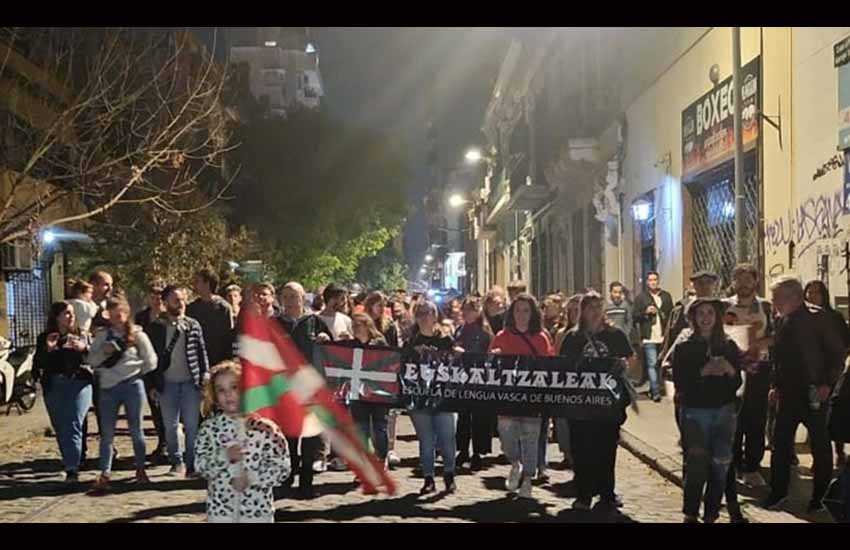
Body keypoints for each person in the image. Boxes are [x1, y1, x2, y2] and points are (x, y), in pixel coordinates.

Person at [765, 276, 844, 512]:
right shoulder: (780, 319)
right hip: (788, 391)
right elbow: (778, 357)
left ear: (793, 297)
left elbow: (837, 354)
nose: (773, 302)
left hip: (814, 392)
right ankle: (778, 493)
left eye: (777, 297)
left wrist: (827, 384)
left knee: (820, 445)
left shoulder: (819, 318)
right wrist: (775, 386)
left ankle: (819, 497)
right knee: (780, 444)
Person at [667, 297, 742, 523]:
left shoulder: (728, 345)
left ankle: (711, 513)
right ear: (693, 319)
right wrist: (704, 371)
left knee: (721, 463)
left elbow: (737, 382)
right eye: (701, 314)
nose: (706, 318)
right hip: (695, 413)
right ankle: (691, 512)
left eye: (710, 313)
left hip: (724, 412)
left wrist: (729, 370)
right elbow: (680, 382)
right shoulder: (684, 347)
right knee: (697, 464)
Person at [560, 291, 634, 514]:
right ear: (582, 311)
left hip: (607, 404)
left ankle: (606, 492)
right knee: (581, 449)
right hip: (580, 404)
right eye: (589, 307)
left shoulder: (615, 335)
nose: (593, 312)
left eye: (597, 307)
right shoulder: (573, 338)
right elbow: (563, 366)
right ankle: (583, 494)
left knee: (606, 448)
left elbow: (629, 358)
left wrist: (623, 365)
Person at [195, 361, 290, 523]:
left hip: (257, 512)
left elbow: (282, 468)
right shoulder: (209, 429)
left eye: (234, 387)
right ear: (214, 395)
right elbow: (201, 466)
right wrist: (223, 456)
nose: (228, 394)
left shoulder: (265, 429)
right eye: (221, 390)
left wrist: (252, 478)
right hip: (221, 512)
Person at [87, 296, 157, 494]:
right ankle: (104, 472)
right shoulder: (102, 336)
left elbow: (151, 360)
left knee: (136, 430)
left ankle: (141, 469)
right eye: (114, 314)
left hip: (132, 385)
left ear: (127, 314)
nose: (118, 318)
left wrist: (136, 371)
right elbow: (91, 360)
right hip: (108, 388)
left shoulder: (138, 335)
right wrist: (104, 353)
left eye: (121, 314)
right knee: (107, 433)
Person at [490, 293, 554, 499]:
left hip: (532, 399)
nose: (521, 315)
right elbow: (488, 365)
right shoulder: (502, 336)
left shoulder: (541, 337)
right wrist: (495, 358)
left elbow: (549, 366)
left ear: (533, 313)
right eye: (518, 310)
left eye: (526, 310)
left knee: (530, 438)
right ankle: (514, 463)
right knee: (507, 436)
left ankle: (527, 478)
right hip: (508, 399)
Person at [275, 281, 331, 498]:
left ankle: (306, 481)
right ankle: (288, 475)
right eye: (285, 297)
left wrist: (327, 339)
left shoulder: (315, 322)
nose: (289, 301)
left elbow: (331, 352)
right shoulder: (274, 323)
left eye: (293, 296)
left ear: (302, 298)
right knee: (287, 436)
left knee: (310, 436)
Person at [721, 264, 775, 489]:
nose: (743, 284)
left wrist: (759, 343)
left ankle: (752, 467)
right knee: (733, 419)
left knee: (756, 418)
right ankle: (732, 465)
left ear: (755, 281)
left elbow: (775, 335)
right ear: (733, 282)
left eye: (747, 279)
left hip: (759, 369)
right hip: (732, 370)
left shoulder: (766, 306)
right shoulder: (724, 306)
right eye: (738, 279)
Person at [148, 285, 211, 478]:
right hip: (167, 383)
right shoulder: (157, 327)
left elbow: (202, 352)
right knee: (171, 425)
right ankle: (176, 462)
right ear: (166, 302)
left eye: (183, 299)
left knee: (192, 425)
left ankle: (192, 464)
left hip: (190, 382)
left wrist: (205, 376)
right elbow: (151, 359)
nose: (181, 304)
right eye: (176, 300)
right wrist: (151, 384)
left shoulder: (193, 325)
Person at [33, 302, 93, 483]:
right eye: (67, 313)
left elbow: (95, 358)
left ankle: (72, 469)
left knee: (74, 422)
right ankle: (69, 462)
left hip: (79, 383)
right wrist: (49, 349)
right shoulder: (46, 337)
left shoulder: (82, 335)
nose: (71, 317)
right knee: (61, 426)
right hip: (55, 384)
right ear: (57, 317)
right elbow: (39, 363)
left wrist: (84, 349)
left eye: (72, 313)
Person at [404, 301, 457, 495]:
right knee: (426, 440)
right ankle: (428, 478)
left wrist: (456, 354)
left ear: (436, 316)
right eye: (422, 313)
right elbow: (403, 367)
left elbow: (456, 364)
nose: (426, 317)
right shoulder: (411, 342)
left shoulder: (445, 339)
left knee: (447, 438)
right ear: (416, 317)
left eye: (430, 313)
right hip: (419, 399)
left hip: (443, 398)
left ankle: (449, 474)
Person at [805, 279, 850, 469]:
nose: (812, 296)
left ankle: (839, 452)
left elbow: (846, 343)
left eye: (817, 292)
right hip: (811, 375)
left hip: (832, 374)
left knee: (834, 413)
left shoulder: (834, 318)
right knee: (815, 417)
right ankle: (820, 458)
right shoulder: (801, 318)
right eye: (809, 292)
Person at [346, 313, 390, 489]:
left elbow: (388, 363)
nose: (355, 328)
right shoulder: (351, 344)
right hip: (358, 395)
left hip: (378, 394)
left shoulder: (379, 342)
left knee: (379, 429)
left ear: (367, 325)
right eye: (353, 325)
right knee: (361, 431)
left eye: (358, 325)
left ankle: (381, 461)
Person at [453, 296, 494, 471]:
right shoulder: (460, 330)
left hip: (479, 378)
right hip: (463, 377)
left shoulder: (484, 332)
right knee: (463, 417)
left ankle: (478, 452)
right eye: (465, 310)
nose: (466, 313)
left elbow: (488, 352)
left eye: (470, 310)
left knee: (479, 417)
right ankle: (462, 449)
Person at [135, 282, 167, 462]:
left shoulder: (167, 316)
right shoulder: (141, 317)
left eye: (160, 296)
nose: (156, 300)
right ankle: (161, 442)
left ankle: (170, 443)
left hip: (165, 365)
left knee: (167, 407)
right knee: (155, 407)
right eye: (153, 296)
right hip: (147, 367)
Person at [633, 271, 674, 402]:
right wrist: (646, 313)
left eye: (655, 279)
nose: (653, 282)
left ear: (658, 281)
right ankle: (656, 391)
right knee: (651, 364)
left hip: (663, 335)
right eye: (650, 280)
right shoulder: (641, 298)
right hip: (649, 336)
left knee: (661, 364)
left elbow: (672, 314)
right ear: (646, 282)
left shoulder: (666, 296)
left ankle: (655, 387)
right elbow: (635, 317)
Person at [187, 268, 235, 367]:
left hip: (218, 361)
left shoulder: (223, 308)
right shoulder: (192, 308)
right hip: (198, 361)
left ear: (207, 283)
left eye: (197, 281)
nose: (194, 285)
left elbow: (229, 337)